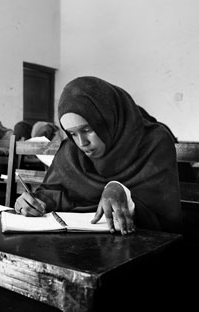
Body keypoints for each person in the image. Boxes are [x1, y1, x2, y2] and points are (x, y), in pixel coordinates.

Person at [14, 76, 182, 235]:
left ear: (109, 119)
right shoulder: (71, 151)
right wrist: (36, 202)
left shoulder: (154, 142)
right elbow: (54, 192)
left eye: (87, 130)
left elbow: (164, 217)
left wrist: (122, 192)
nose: (82, 142)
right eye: (72, 134)